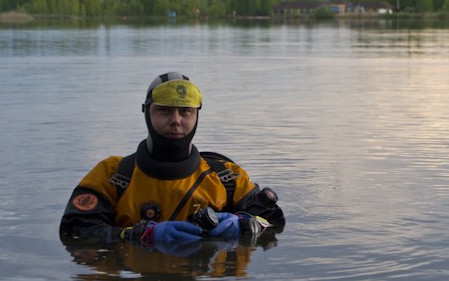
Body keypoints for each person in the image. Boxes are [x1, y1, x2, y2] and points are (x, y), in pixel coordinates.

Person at [59, 72, 284, 249]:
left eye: (185, 112)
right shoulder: (112, 175)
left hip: (206, 278)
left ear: (196, 116)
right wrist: (137, 235)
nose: (175, 121)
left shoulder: (227, 177)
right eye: (164, 111)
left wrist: (247, 224)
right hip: (138, 277)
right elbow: (74, 230)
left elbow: (274, 222)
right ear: (146, 112)